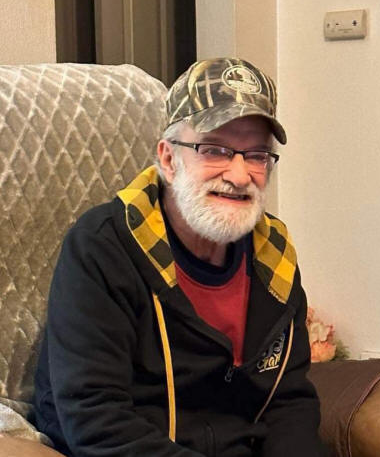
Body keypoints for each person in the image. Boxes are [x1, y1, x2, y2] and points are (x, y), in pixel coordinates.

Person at [34, 57, 325, 457]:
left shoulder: (274, 256)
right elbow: (95, 419)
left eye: (257, 155)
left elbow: (288, 403)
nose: (239, 175)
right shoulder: (103, 247)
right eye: (215, 149)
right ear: (169, 159)